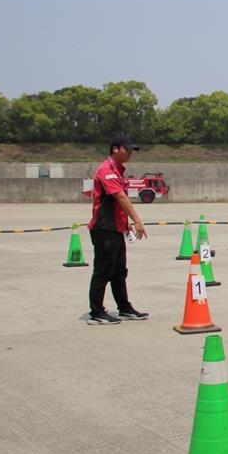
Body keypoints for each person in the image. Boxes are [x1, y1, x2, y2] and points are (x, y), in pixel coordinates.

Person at [87, 133, 149, 325]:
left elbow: (116, 205)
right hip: (104, 228)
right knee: (103, 271)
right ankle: (96, 312)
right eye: (127, 149)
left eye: (131, 150)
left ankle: (124, 307)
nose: (130, 153)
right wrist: (137, 221)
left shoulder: (117, 171)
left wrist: (125, 223)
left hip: (115, 228)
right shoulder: (107, 170)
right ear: (115, 149)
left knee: (119, 271)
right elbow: (121, 197)